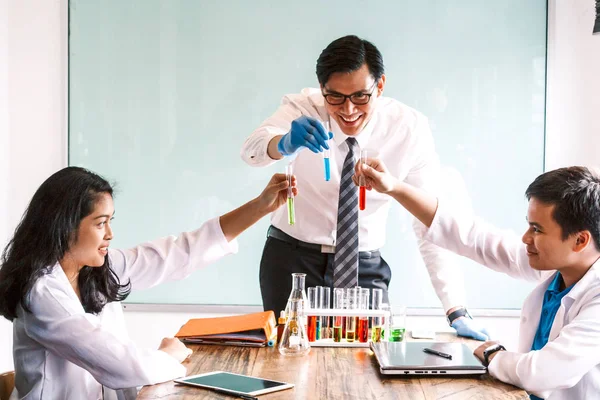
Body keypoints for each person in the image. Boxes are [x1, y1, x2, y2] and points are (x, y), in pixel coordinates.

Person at [240, 34, 488, 340]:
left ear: (379, 86)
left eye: (360, 96)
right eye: (335, 97)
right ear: (322, 89)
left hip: (364, 266)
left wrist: (456, 308)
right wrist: (283, 143)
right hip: (293, 262)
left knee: (368, 365)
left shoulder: (408, 129)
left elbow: (428, 221)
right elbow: (251, 151)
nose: (348, 110)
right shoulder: (304, 107)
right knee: (290, 359)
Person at [0, 166, 296, 400]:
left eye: (111, 221)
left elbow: (181, 251)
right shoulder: (41, 292)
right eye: (101, 223)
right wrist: (168, 354)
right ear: (64, 226)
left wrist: (260, 206)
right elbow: (120, 365)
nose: (110, 234)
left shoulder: (102, 267)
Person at [356, 159, 600, 399]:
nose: (525, 238)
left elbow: (541, 373)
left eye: (537, 229)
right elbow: (471, 236)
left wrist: (493, 354)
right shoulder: (556, 266)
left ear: (580, 240)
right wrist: (394, 187)